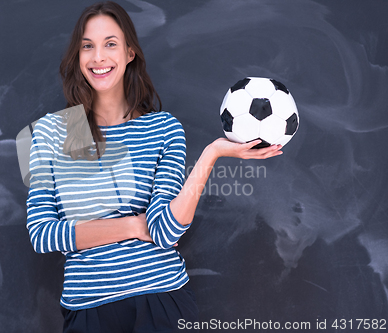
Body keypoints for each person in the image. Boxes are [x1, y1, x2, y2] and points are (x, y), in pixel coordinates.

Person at [26, 2, 282, 332]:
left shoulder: (163, 128)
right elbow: (43, 234)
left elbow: (165, 231)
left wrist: (211, 155)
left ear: (130, 53)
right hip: (87, 308)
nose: (98, 57)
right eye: (87, 46)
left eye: (110, 44)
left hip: (162, 301)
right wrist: (133, 226)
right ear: (77, 56)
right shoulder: (49, 131)